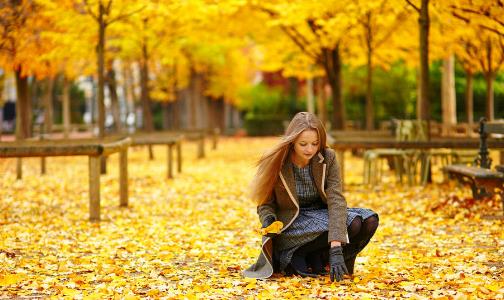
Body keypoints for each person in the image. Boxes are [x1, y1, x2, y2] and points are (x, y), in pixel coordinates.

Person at [243, 112, 379, 282]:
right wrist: (268, 221)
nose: (310, 149)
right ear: (292, 141)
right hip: (292, 223)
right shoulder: (277, 161)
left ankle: (325, 258)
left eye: (315, 143)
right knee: (350, 223)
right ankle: (296, 253)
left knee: (367, 220)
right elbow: (265, 203)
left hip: (320, 215)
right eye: (303, 144)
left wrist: (336, 247)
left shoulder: (328, 157)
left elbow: (336, 199)